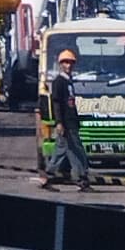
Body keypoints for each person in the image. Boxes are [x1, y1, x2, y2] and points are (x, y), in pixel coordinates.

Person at [39, 41, 85, 184]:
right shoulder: (59, 82)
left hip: (71, 123)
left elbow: (71, 104)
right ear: (60, 64)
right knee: (75, 152)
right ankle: (80, 179)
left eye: (71, 63)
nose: (68, 65)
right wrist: (59, 123)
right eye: (65, 63)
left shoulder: (69, 81)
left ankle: (78, 179)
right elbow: (57, 103)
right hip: (65, 123)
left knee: (68, 151)